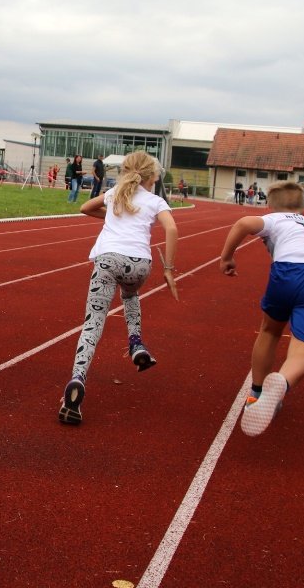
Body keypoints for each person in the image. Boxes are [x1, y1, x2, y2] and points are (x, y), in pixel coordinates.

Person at [58, 151, 178, 426]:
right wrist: (169, 269)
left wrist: (112, 217)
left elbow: (84, 208)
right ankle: (136, 343)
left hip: (107, 260)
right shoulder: (156, 200)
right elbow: (171, 230)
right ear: (153, 176)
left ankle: (77, 379)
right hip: (139, 265)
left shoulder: (114, 194)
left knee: (92, 326)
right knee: (131, 294)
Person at [218, 180, 304, 436]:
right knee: (303, 350)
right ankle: (283, 381)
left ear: (269, 206)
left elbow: (243, 223)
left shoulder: (276, 219)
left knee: (270, 331)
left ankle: (256, 393)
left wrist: (227, 257)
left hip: (287, 271)